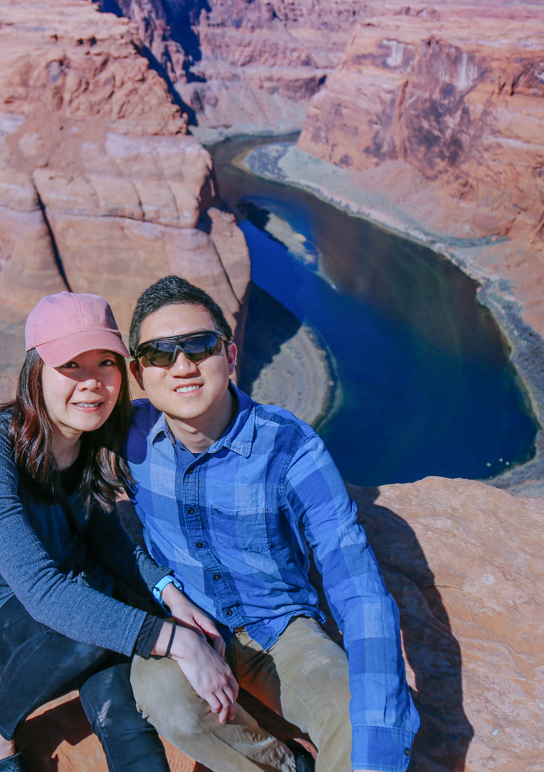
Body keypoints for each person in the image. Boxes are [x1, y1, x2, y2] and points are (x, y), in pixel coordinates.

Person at [124, 276, 420, 772]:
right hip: (187, 628)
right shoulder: (124, 435)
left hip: (282, 631)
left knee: (355, 722)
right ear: (138, 372)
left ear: (231, 356)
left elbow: (355, 582)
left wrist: (380, 728)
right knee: (165, 697)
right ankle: (284, 765)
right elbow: (50, 431)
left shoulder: (291, 448)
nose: (182, 366)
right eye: (159, 354)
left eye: (200, 345)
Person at [0, 291, 238, 772]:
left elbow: (107, 537)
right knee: (94, 631)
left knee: (114, 668)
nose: (93, 383)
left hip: (75, 591)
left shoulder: (90, 441)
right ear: (35, 372)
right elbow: (41, 592)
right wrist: (174, 639)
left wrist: (168, 594)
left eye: (106, 362)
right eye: (71, 366)